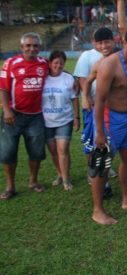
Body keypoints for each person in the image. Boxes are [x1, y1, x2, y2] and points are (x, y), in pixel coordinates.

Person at [92, 27, 127, 224]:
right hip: (110, 118)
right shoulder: (109, 65)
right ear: (124, 43)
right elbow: (98, 101)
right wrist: (99, 131)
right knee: (103, 163)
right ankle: (98, 210)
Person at [0, 33, 49, 199]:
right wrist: (7, 110)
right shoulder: (11, 63)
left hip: (35, 116)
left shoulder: (44, 63)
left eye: (35, 46)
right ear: (22, 48)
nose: (31, 49)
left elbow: (57, 75)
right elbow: (4, 89)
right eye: (28, 46)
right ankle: (10, 186)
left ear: (39, 48)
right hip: (13, 116)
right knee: (8, 152)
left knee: (36, 152)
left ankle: (33, 181)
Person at [42, 50, 79, 191]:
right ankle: (60, 173)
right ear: (50, 63)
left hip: (65, 120)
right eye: (55, 63)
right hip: (46, 121)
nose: (58, 65)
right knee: (53, 152)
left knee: (62, 149)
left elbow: (74, 99)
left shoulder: (68, 78)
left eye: (61, 63)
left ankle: (66, 179)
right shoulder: (43, 77)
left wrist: (76, 117)